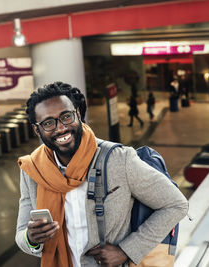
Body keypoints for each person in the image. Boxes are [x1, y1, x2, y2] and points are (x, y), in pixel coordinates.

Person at [15, 82, 188, 267]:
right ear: (37, 130)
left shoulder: (118, 159)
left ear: (78, 115)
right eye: (48, 123)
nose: (61, 128)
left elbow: (176, 204)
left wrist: (126, 251)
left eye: (66, 116)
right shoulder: (32, 170)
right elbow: (21, 234)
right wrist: (31, 238)